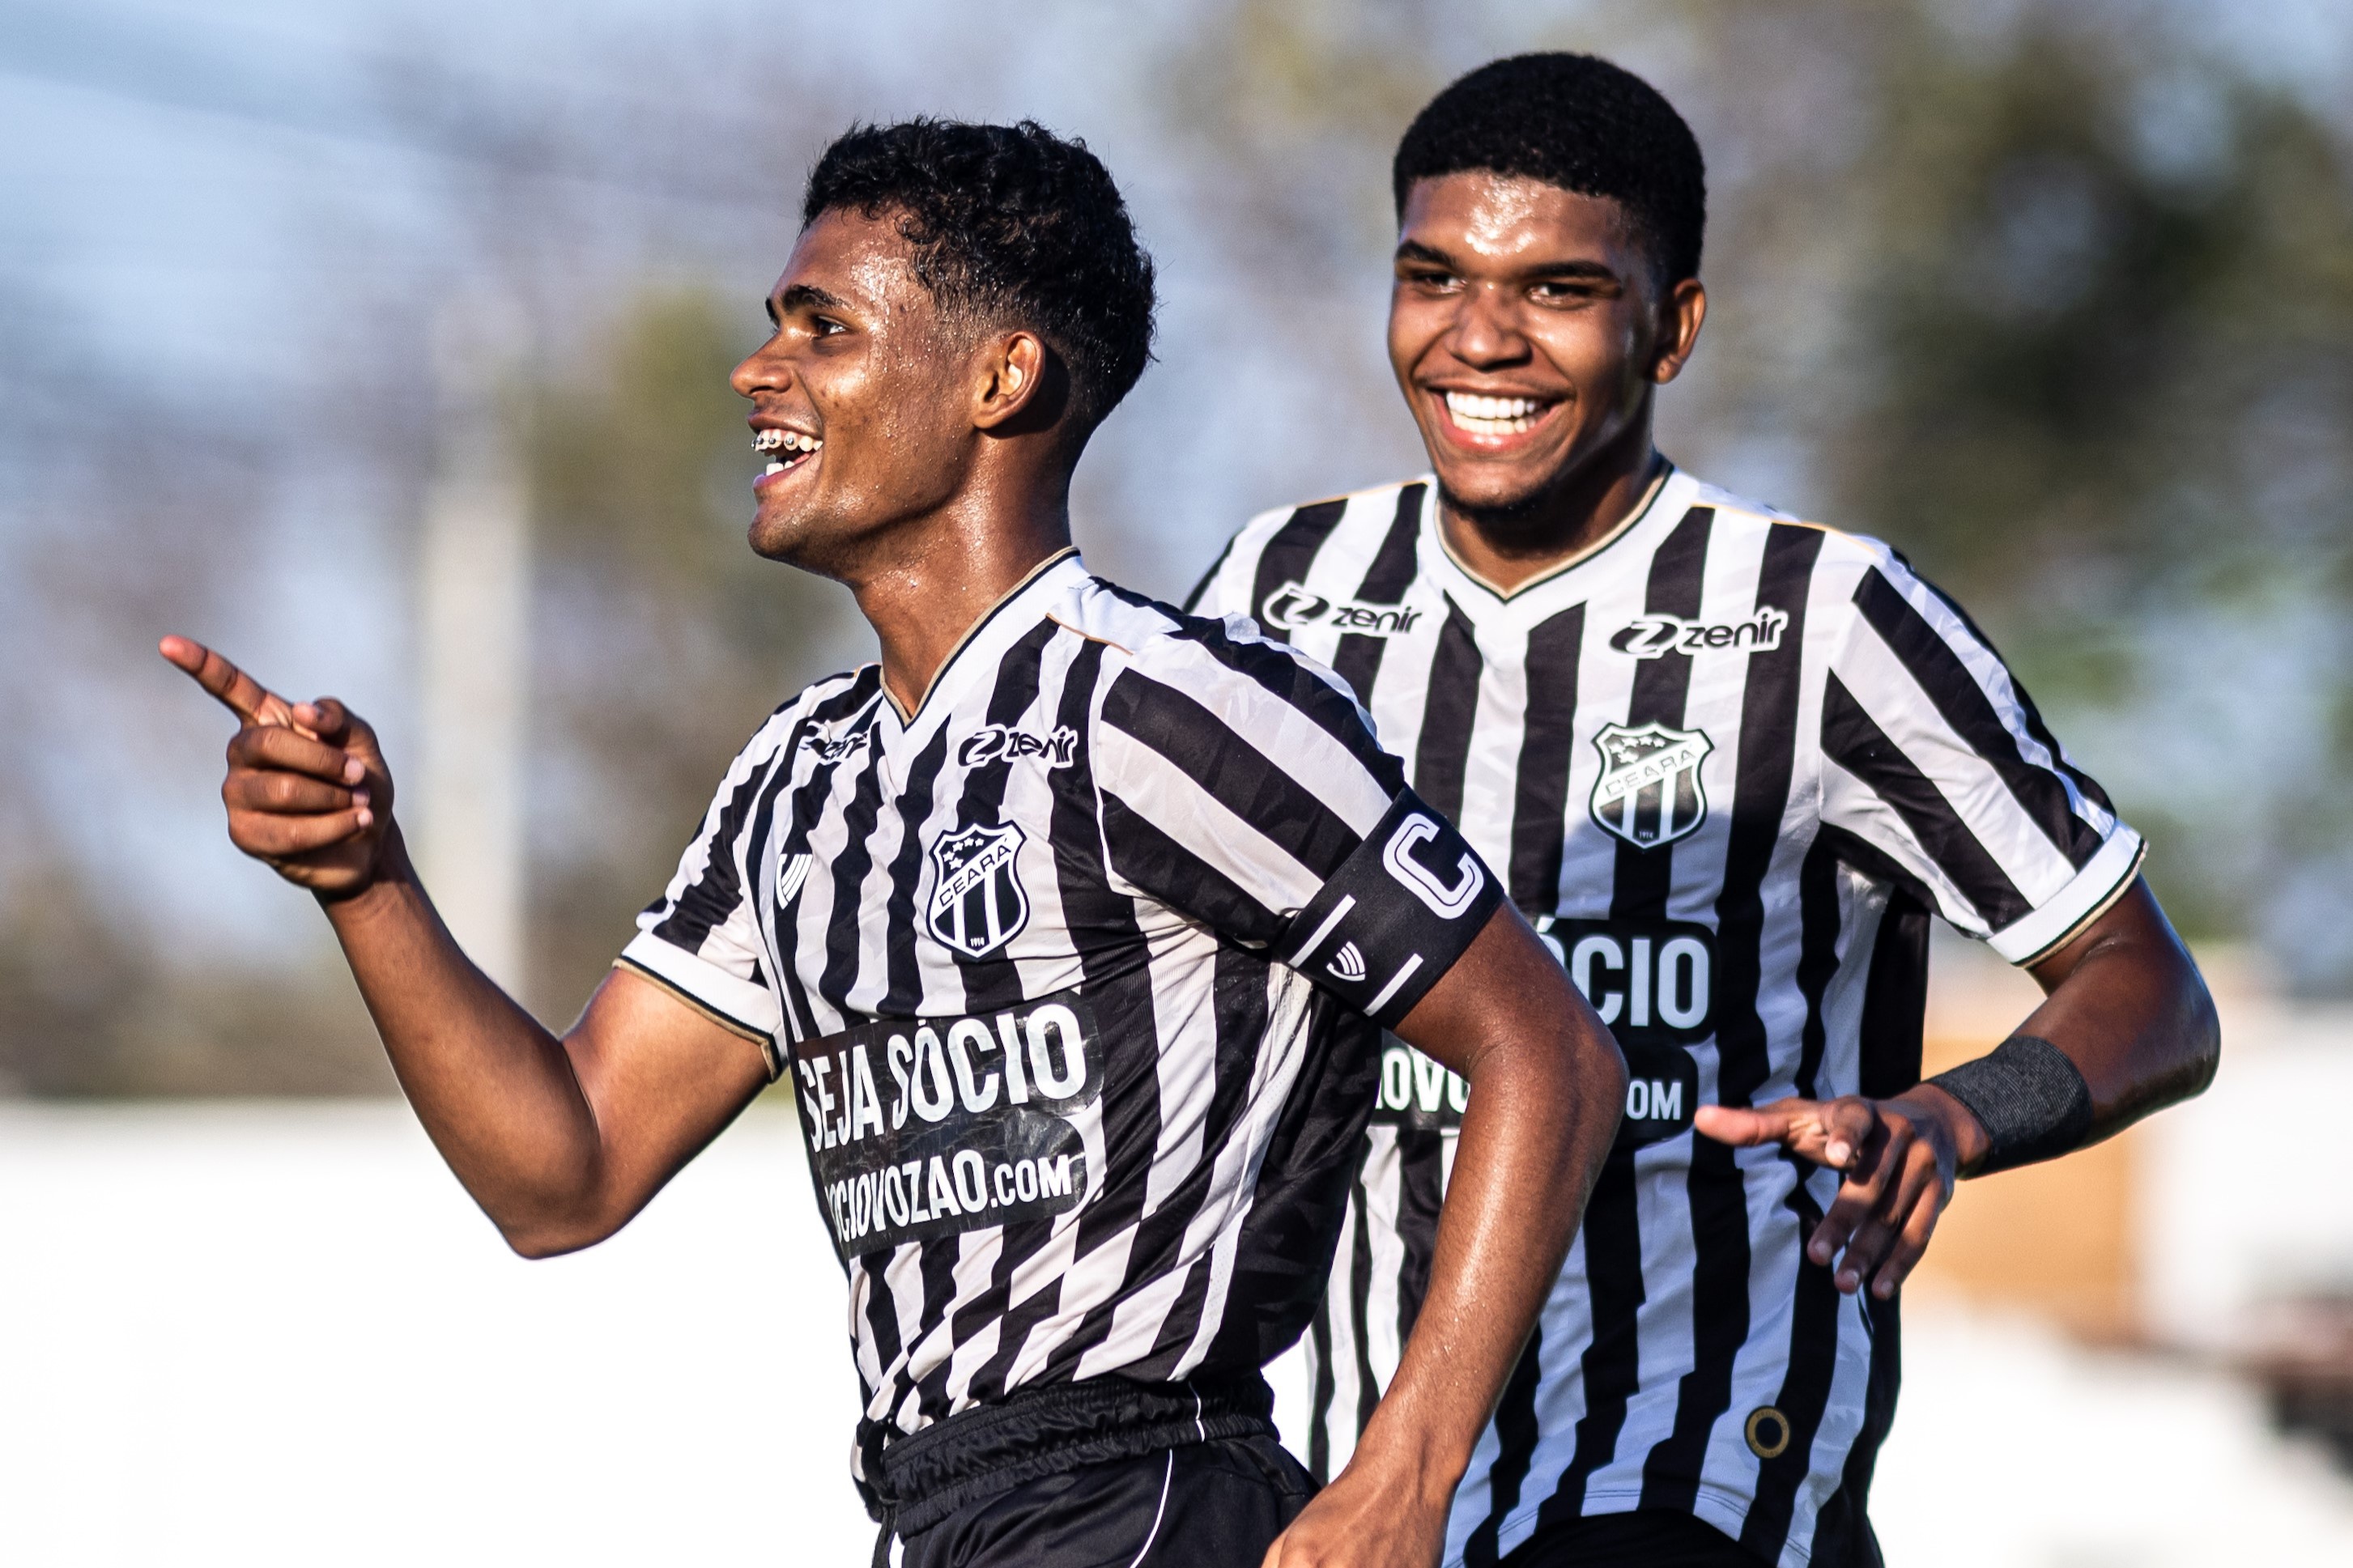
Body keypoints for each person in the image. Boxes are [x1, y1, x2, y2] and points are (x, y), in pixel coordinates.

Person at [161, 119, 1627, 1568]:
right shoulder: (793, 777)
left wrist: (1404, 1476)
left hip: (1148, 1492)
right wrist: (364, 883)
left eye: (824, 326)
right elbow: (565, 1175)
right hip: (932, 1515)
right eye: (772, 325)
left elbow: (1547, 1051)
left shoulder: (1166, 709)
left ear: (1002, 377)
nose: (760, 369)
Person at [1189, 53, 2219, 1568]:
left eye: (1554, 290)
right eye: (1433, 278)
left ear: (1669, 328)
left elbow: (2149, 986)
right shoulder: (1276, 592)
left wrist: (1947, 1115)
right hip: (1367, 1481)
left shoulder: (1826, 618)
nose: (1478, 338)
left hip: (1699, 1468)